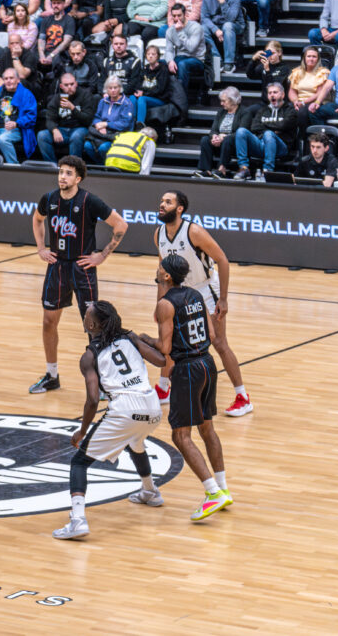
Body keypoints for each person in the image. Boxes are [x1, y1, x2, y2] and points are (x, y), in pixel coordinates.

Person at [51, 301, 167, 539]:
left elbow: (93, 400)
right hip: (152, 405)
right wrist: (147, 340)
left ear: (91, 324)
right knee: (136, 441)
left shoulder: (89, 356)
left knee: (79, 462)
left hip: (125, 408)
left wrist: (82, 432)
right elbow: (161, 361)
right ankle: (150, 491)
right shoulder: (130, 338)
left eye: (86, 314)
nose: (84, 315)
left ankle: (78, 520)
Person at [140, 254, 232, 521]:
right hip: (207, 363)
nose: (156, 271)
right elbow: (212, 336)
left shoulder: (165, 304)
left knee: (180, 436)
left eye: (159, 268)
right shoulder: (195, 295)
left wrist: (143, 339)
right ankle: (223, 488)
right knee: (207, 428)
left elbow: (165, 350)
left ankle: (213, 493)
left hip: (188, 370)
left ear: (167, 275)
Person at [29, 155, 129, 393]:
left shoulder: (89, 201)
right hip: (57, 266)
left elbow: (121, 225)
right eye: (61, 171)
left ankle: (103, 381)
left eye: (68, 173)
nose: (63, 176)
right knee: (48, 322)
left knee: (94, 326)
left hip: (82, 267)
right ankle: (51, 375)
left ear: (78, 178)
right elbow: (37, 219)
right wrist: (41, 248)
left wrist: (102, 255)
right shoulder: (49, 199)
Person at [155, 191, 253, 416]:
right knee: (169, 338)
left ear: (179, 209)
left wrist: (224, 298)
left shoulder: (194, 231)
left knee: (218, 342)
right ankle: (163, 389)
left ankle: (243, 397)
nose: (162, 204)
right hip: (179, 292)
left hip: (205, 289)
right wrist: (159, 303)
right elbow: (162, 272)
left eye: (168, 202)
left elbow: (222, 260)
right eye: (161, 201)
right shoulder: (158, 234)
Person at [232, 82, 296, 179]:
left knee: (268, 134)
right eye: (270, 93)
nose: (272, 95)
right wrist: (275, 128)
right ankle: (244, 168)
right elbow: (254, 127)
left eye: (275, 92)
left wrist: (267, 128)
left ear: (282, 95)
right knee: (241, 131)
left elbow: (284, 125)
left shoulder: (290, 110)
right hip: (261, 144)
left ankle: (267, 171)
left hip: (281, 147)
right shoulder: (263, 110)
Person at [0, 68, 38, 163]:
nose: (8, 81)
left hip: (18, 130)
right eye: (6, 79)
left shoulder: (26, 94)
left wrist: (16, 123)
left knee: (3, 139)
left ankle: (14, 167)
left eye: (11, 78)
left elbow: (31, 117)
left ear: (18, 80)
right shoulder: (1, 91)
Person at [38, 72, 97, 162]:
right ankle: (52, 167)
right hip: (62, 129)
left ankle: (73, 166)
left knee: (76, 136)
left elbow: (88, 119)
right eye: (66, 85)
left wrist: (72, 108)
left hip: (80, 128)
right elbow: (50, 118)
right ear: (61, 86)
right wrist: (54, 130)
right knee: (42, 135)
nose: (69, 87)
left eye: (72, 84)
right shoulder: (57, 98)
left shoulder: (85, 95)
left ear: (76, 84)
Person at [195, 87, 251, 178]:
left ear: (233, 100)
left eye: (224, 101)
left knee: (228, 139)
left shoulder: (245, 113)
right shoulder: (221, 112)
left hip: (235, 145)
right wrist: (214, 137)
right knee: (205, 140)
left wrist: (224, 137)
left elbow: (242, 132)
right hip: (221, 143)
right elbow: (214, 129)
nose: (221, 103)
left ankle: (222, 169)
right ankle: (206, 170)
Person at [83, 76, 134, 163]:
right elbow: (96, 117)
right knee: (87, 146)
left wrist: (106, 124)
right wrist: (99, 126)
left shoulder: (126, 103)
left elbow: (125, 124)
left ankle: (107, 168)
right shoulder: (103, 101)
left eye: (115, 87)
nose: (113, 90)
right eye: (110, 88)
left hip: (117, 134)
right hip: (101, 133)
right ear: (106, 89)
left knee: (103, 148)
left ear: (120, 88)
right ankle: (101, 166)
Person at [201, 0, 244, 73]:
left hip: (235, 25)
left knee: (227, 26)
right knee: (202, 29)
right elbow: (204, 17)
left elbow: (231, 18)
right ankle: (217, 60)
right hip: (216, 25)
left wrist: (222, 2)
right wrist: (215, 29)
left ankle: (229, 62)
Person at [164, 3, 205, 91]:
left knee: (182, 64)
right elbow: (169, 50)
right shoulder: (170, 31)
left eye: (179, 15)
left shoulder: (196, 27)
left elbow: (191, 48)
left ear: (185, 14)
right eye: (174, 16)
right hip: (180, 57)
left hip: (197, 59)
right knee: (161, 63)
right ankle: (165, 96)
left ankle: (182, 99)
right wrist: (170, 61)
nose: (176, 19)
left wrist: (180, 32)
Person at [245, 41, 291, 111]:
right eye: (268, 53)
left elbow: (274, 86)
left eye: (272, 53)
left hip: (279, 103)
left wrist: (267, 70)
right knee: (247, 111)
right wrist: (253, 60)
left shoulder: (284, 68)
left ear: (279, 53)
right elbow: (250, 75)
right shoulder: (263, 66)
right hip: (264, 103)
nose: (270, 56)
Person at [132, 44, 170, 126]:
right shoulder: (145, 69)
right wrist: (138, 91)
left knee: (142, 99)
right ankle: (132, 123)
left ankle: (140, 124)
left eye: (153, 54)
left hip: (159, 99)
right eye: (148, 54)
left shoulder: (163, 69)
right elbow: (138, 84)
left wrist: (144, 93)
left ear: (158, 56)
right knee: (132, 98)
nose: (150, 56)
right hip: (146, 95)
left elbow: (160, 89)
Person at [37, 0, 76, 69]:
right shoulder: (46, 20)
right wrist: (41, 55)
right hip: (46, 51)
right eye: (54, 3)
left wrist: (51, 55)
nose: (55, 6)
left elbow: (66, 42)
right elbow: (41, 39)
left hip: (60, 53)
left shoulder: (69, 20)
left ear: (63, 4)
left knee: (57, 60)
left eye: (58, 3)